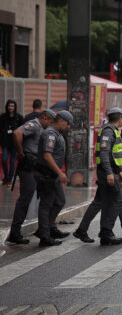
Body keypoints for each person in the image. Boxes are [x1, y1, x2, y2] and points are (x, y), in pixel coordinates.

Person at [73, 107, 122, 245]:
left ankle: (82, 230)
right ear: (118, 117)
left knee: (98, 202)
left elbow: (114, 155)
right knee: (119, 201)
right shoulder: (108, 131)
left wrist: (120, 171)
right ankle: (106, 232)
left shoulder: (113, 131)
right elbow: (104, 153)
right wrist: (110, 173)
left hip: (110, 171)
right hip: (106, 173)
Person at [6, 109, 56, 244]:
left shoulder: (40, 128)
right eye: (50, 122)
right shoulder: (33, 125)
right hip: (28, 167)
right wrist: (20, 153)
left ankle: (42, 230)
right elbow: (17, 133)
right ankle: (14, 234)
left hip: (35, 167)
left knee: (40, 197)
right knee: (25, 200)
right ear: (45, 118)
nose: (51, 125)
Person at [33, 110, 72, 246]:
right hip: (46, 174)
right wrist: (60, 173)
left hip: (53, 175)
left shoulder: (58, 134)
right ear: (60, 120)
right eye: (67, 124)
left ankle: (48, 228)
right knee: (46, 204)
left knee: (60, 201)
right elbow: (47, 156)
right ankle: (44, 236)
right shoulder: (50, 134)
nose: (68, 127)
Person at [1, 99, 24, 186]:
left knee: (12, 161)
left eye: (12, 106)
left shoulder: (19, 117)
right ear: (7, 106)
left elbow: (22, 130)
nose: (10, 107)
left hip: (15, 144)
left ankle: (10, 178)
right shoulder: (3, 117)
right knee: (4, 159)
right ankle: (6, 176)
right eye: (9, 106)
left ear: (15, 107)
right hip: (5, 143)